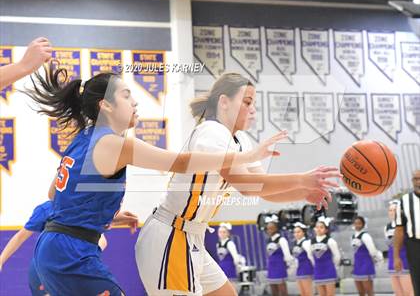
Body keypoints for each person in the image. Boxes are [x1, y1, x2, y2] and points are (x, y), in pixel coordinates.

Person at [23, 65, 285, 296]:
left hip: (51, 249)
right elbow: (182, 162)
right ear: (105, 105)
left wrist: (104, 217)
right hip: (72, 253)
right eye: (126, 95)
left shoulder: (82, 138)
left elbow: (54, 194)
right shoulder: (114, 143)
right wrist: (248, 155)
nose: (134, 102)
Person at [136, 72, 341, 296]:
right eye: (247, 102)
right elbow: (246, 184)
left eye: (253, 103)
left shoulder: (241, 140)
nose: (252, 109)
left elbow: (262, 190)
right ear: (224, 102)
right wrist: (303, 179)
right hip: (170, 235)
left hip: (192, 236)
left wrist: (302, 192)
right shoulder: (212, 131)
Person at [395, 169, 420, 295]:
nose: (418, 182)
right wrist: (396, 256)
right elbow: (399, 230)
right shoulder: (404, 201)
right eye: (416, 179)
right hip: (414, 246)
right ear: (412, 181)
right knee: (417, 282)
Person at [385, 201, 414, 296]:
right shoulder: (386, 227)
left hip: (405, 261)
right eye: (390, 210)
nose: (392, 212)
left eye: (394, 210)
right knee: (397, 293)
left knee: (409, 292)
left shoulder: (407, 225)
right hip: (392, 262)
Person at [351, 216, 383, 296]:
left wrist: (378, 260)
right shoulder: (353, 236)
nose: (357, 225)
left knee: (369, 291)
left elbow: (373, 251)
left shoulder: (366, 236)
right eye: (355, 223)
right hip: (357, 265)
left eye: (359, 223)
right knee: (360, 292)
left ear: (363, 224)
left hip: (366, 264)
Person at [311, 216, 340, 296]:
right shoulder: (311, 241)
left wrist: (333, 266)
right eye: (317, 227)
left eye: (321, 227)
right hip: (318, 271)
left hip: (329, 270)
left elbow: (337, 256)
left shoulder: (330, 241)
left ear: (326, 230)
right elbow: (311, 257)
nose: (318, 229)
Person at [265, 217, 294, 296]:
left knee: (282, 290)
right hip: (271, 267)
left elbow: (287, 255)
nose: (269, 231)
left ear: (276, 228)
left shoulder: (282, 240)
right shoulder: (268, 240)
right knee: (273, 290)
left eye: (271, 228)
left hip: (279, 267)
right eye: (268, 229)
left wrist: (289, 267)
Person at [292, 222, 314, 296]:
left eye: (298, 232)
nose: (296, 234)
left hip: (306, 268)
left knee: (308, 292)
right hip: (299, 269)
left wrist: (315, 267)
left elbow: (311, 256)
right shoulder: (296, 243)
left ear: (304, 232)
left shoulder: (306, 242)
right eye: (295, 232)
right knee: (302, 293)